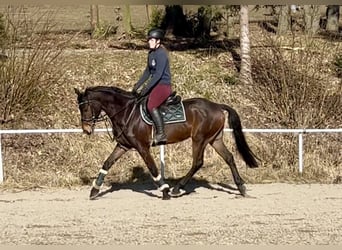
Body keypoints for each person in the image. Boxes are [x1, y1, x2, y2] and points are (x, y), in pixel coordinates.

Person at [132, 28, 172, 146]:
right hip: (156, 84)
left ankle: (161, 134)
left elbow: (158, 75)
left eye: (151, 40)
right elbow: (147, 72)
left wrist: (146, 88)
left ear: (158, 41)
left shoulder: (161, 54)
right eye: (149, 40)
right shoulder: (151, 54)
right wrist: (137, 86)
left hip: (163, 85)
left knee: (151, 104)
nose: (149, 42)